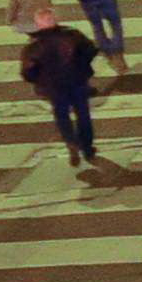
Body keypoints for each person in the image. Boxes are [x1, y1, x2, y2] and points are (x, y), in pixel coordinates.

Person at [21, 12, 103, 167]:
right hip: (77, 80)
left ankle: (71, 142)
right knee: (83, 115)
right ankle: (87, 147)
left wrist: (39, 80)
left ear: (38, 24)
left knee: (62, 116)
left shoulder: (34, 45)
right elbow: (91, 50)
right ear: (55, 20)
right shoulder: (72, 35)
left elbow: (27, 72)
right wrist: (82, 66)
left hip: (53, 87)